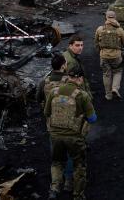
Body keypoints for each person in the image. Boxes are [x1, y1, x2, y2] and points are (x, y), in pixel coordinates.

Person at [44, 66, 97, 200]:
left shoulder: (54, 92)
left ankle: (54, 188)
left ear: (68, 77)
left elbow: (46, 113)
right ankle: (77, 195)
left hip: (55, 135)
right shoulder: (82, 95)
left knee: (57, 162)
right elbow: (92, 118)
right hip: (74, 137)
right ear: (80, 78)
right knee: (79, 165)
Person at [36, 54, 74, 192]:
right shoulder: (71, 82)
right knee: (70, 153)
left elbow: (38, 98)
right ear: (64, 65)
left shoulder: (44, 82)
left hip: (52, 123)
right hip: (69, 123)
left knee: (56, 156)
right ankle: (69, 180)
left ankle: (56, 184)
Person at [94, 10, 124, 100]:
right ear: (115, 18)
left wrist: (100, 53)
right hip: (116, 56)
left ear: (106, 17)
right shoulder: (119, 30)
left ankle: (108, 95)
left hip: (104, 56)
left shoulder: (100, 29)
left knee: (106, 74)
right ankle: (115, 88)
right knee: (117, 71)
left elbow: (96, 43)